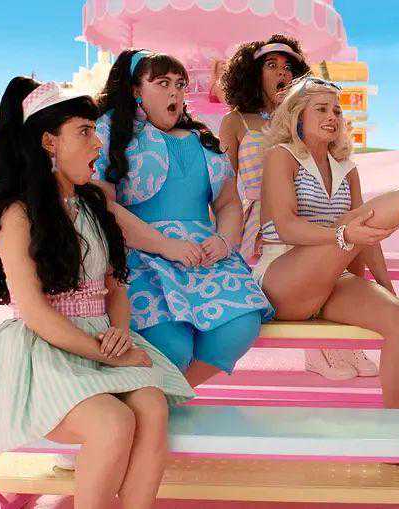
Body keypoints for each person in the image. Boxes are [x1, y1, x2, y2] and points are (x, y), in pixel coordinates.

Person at [0, 78, 193, 508]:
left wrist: (120, 332)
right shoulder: (18, 216)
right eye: (84, 131)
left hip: (100, 342)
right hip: (44, 352)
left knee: (152, 406)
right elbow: (35, 313)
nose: (97, 143)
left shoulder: (94, 204)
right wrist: (107, 354)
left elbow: (114, 287)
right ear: (49, 141)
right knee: (111, 423)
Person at [255, 75, 399, 470]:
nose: (332, 116)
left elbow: (367, 240)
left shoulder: (346, 167)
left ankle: (395, 438)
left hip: (330, 280)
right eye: (321, 109)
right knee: (356, 219)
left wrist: (389, 292)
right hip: (282, 277)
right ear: (296, 116)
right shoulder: (281, 156)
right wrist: (342, 234)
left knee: (398, 318)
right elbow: (286, 227)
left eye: (336, 110)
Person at [92, 49, 272, 388]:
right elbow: (101, 206)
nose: (175, 92)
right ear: (135, 89)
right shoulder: (109, 131)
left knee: (240, 326)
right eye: (163, 83)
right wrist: (165, 246)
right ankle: (154, 402)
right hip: (140, 258)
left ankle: (167, 397)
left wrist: (224, 241)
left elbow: (229, 203)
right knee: (170, 345)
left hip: (206, 259)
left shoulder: (203, 139)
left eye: (180, 84)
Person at [218, 36, 368, 379]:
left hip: (312, 206)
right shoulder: (237, 121)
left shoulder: (309, 120)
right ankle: (320, 350)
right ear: (253, 74)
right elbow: (226, 183)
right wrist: (227, 229)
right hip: (262, 219)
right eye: (271, 66)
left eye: (289, 67)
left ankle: (340, 344)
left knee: (337, 257)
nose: (281, 73)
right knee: (294, 274)